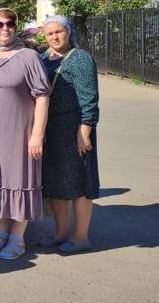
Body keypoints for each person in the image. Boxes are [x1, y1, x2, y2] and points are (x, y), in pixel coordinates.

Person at [0, 8, 50, 260]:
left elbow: (42, 96)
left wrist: (37, 135)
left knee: (19, 179)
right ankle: (0, 233)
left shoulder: (27, 56)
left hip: (18, 131)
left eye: (10, 24)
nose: (5, 29)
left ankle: (18, 237)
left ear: (16, 27)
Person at [40, 16, 100, 253]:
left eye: (59, 32)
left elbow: (90, 98)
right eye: (50, 34)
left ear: (69, 32)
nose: (55, 37)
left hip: (74, 127)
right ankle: (60, 233)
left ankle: (80, 236)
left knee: (79, 181)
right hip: (51, 128)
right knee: (55, 181)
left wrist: (85, 129)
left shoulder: (80, 59)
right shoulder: (44, 58)